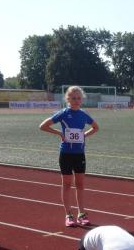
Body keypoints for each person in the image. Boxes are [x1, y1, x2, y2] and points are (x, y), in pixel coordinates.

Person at [39, 86, 99, 227]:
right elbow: (43, 126)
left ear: (82, 100)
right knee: (66, 184)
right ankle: (68, 215)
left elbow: (96, 127)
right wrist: (59, 133)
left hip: (79, 154)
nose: (76, 101)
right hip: (66, 154)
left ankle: (81, 213)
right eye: (73, 98)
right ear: (68, 99)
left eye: (79, 98)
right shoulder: (63, 113)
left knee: (80, 184)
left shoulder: (83, 114)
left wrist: (84, 135)